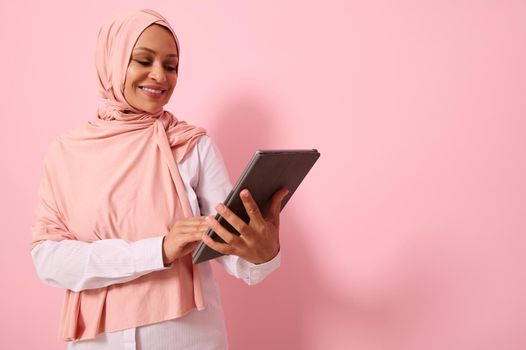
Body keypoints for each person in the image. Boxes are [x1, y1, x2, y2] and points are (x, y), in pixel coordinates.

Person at [31, 9, 288, 349]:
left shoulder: (191, 146)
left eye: (170, 66)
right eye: (143, 60)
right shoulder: (66, 153)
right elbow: (49, 260)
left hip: (186, 338)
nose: (159, 76)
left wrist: (263, 254)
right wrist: (159, 250)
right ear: (113, 60)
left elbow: (230, 252)